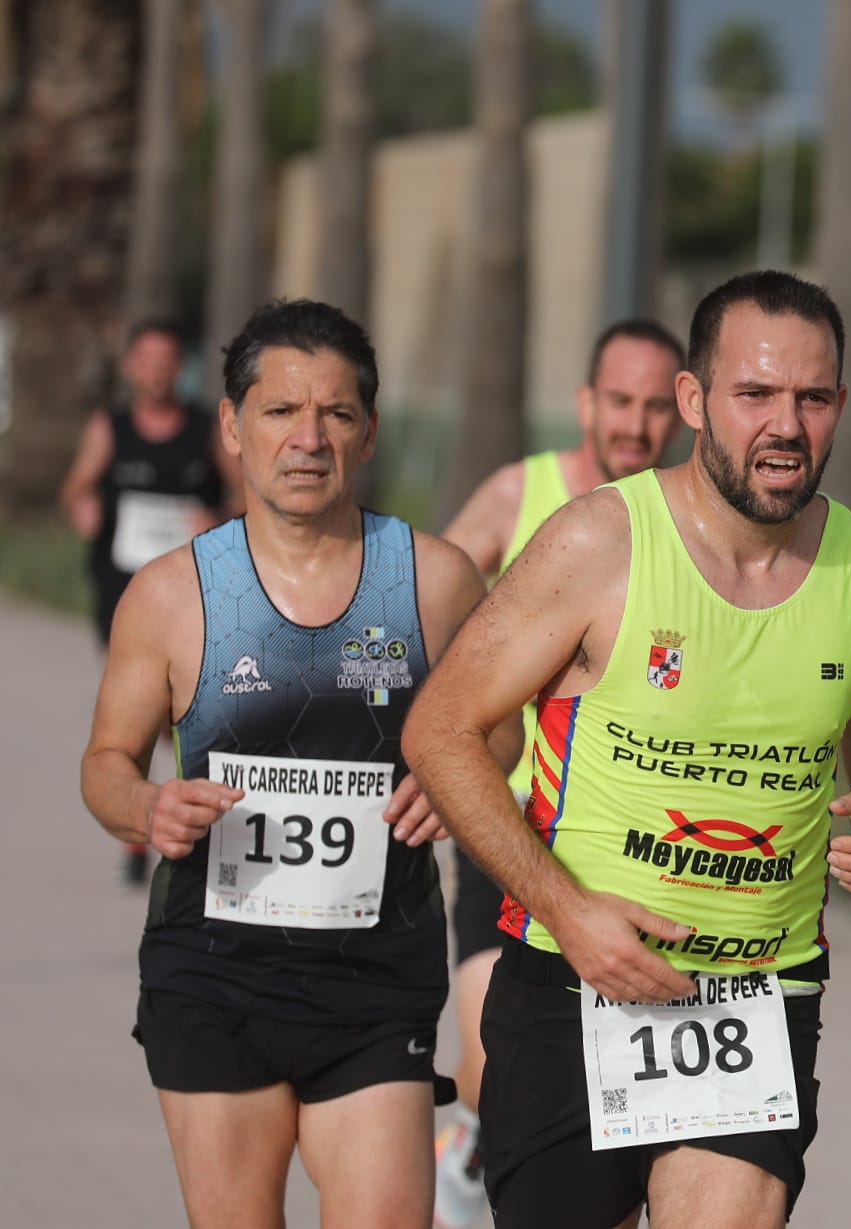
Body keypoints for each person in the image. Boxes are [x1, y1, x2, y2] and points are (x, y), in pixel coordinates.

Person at [403, 269, 851, 1229]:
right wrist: (569, 910)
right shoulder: (599, 543)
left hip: (757, 999)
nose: (786, 424)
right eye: (755, 394)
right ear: (694, 400)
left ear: (842, 406)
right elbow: (440, 728)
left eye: (813, 398)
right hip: (571, 986)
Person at [78, 299, 519, 1229]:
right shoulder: (169, 595)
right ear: (232, 427)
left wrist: (456, 780)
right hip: (212, 975)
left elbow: (505, 729)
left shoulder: (434, 580)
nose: (308, 438)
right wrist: (146, 807)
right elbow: (106, 761)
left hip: (376, 981)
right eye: (281, 411)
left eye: (337, 414)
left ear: (367, 434)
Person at [432, 317, 685, 1229]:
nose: (637, 423)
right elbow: (430, 603)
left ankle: (493, 1146)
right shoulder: (521, 492)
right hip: (513, 825)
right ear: (586, 403)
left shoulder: (688, 521)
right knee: (487, 1055)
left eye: (658, 405)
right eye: (620, 401)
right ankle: (474, 1137)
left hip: (632, 852)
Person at [60, 319, 242, 883]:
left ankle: (184, 815)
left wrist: (218, 522)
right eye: (147, 359)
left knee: (176, 717)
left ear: (179, 368)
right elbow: (76, 488)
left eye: (168, 360)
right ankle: (144, 829)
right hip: (122, 595)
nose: (158, 371)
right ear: (130, 367)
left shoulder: (202, 428)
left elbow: (241, 491)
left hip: (193, 595)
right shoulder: (110, 428)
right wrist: (82, 508)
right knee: (135, 717)